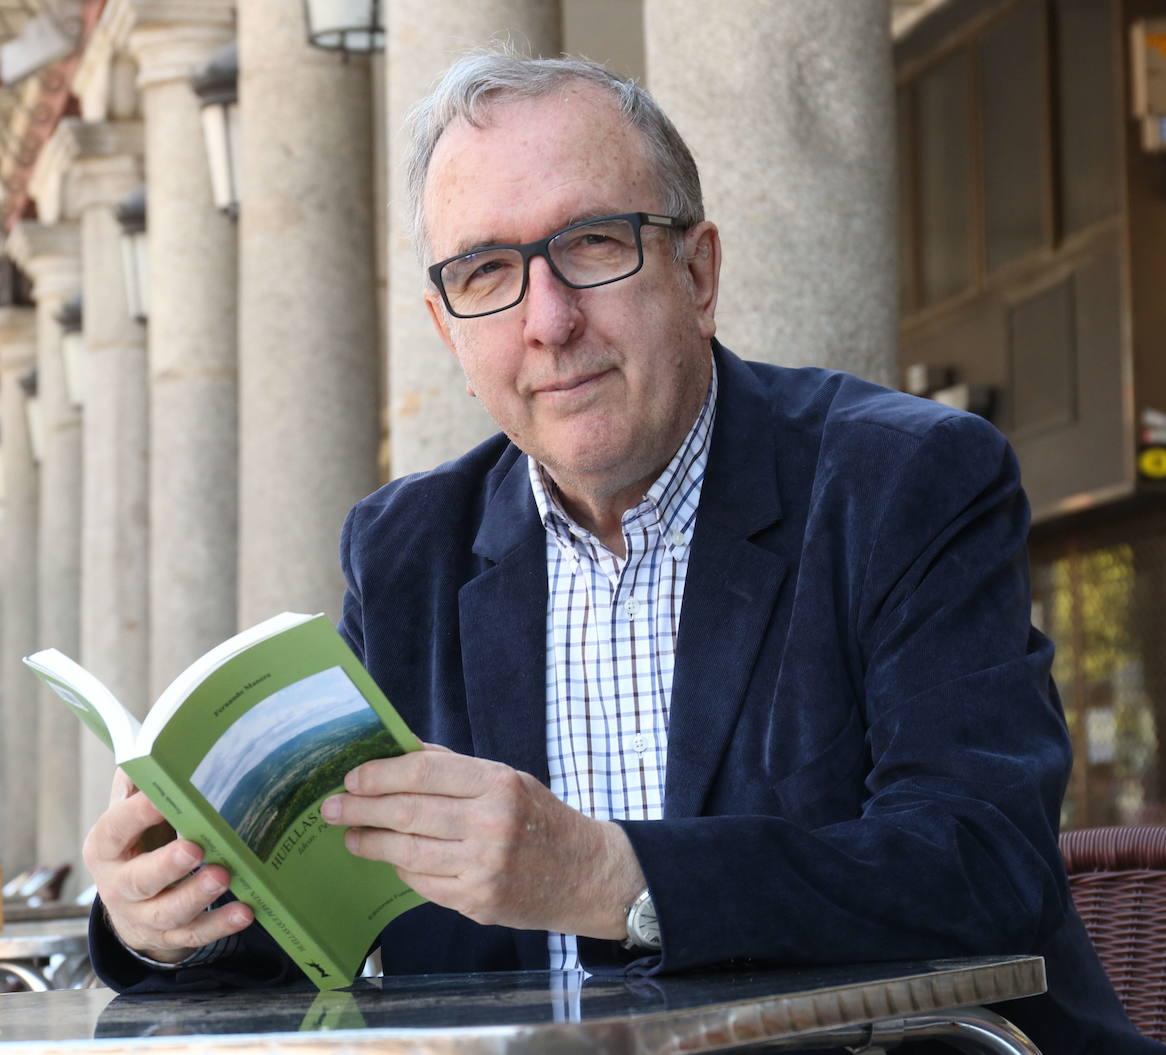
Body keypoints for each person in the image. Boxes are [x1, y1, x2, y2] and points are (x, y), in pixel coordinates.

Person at [83, 52, 1161, 1053]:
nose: (546, 319)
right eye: (488, 271)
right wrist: (167, 917)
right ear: (449, 327)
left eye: (593, 244)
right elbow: (318, 920)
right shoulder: (409, 549)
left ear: (697, 272)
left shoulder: (904, 481)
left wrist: (613, 875)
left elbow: (979, 864)